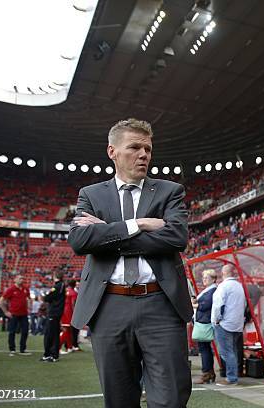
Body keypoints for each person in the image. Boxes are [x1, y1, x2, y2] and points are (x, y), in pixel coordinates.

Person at [68, 118, 192, 408]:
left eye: (147, 148)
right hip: (109, 305)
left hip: (161, 304)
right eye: (134, 147)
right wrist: (137, 224)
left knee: (171, 398)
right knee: (119, 399)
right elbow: (81, 242)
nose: (143, 155)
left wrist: (107, 232)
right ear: (112, 151)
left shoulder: (169, 191)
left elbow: (175, 238)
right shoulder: (90, 194)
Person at [211, 264, 246, 386]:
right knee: (233, 352)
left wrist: (216, 320)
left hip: (224, 324)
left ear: (223, 273)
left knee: (226, 352)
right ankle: (233, 376)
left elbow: (217, 306)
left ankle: (231, 378)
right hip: (237, 324)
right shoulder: (239, 286)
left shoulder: (223, 286)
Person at [192, 269, 218, 384]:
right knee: (205, 348)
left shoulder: (212, 290)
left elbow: (205, 305)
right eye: (203, 277)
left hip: (204, 322)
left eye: (206, 278)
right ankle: (209, 372)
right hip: (203, 321)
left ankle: (206, 373)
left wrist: (195, 304)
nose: (204, 280)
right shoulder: (209, 290)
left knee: (204, 349)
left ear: (213, 279)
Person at [0, 275, 31, 356]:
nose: (22, 280)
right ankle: (12, 349)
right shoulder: (11, 289)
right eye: (20, 278)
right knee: (12, 332)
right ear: (15, 280)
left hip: (24, 314)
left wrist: (29, 307)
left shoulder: (25, 289)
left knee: (25, 331)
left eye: (23, 278)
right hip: (14, 314)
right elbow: (1, 301)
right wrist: (6, 312)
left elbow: (28, 298)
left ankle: (22, 349)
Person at [41, 271, 65, 362]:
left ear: (54, 276)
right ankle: (51, 354)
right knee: (53, 334)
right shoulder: (61, 285)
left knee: (51, 334)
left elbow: (47, 298)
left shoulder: (57, 286)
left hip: (53, 313)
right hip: (56, 313)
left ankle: (52, 355)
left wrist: (45, 296)